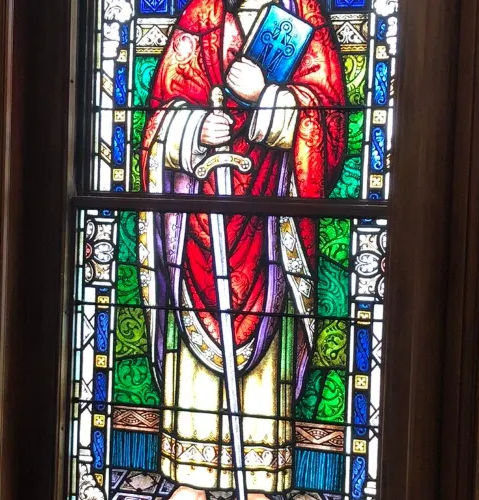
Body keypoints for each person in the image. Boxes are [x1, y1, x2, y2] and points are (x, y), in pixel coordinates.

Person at [137, 0, 346, 498]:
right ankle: (193, 474)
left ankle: (257, 475)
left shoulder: (303, 23)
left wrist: (268, 97)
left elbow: (329, 126)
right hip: (198, 226)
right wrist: (191, 129)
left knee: (266, 346)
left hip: (269, 226)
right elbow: (159, 115)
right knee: (192, 349)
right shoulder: (199, 21)